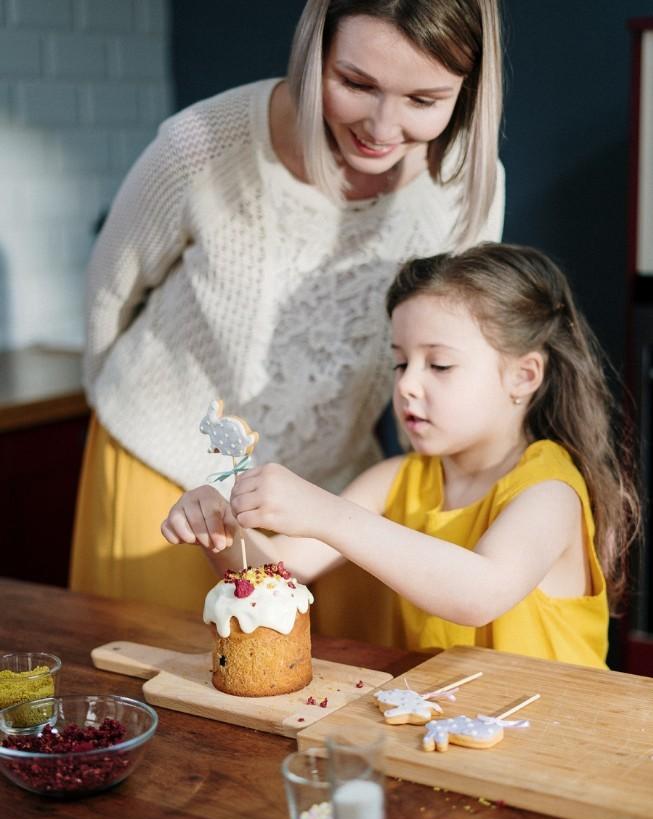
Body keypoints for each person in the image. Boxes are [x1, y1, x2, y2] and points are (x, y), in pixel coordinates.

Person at [70, 0, 505, 627]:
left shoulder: (469, 185)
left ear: (468, 91)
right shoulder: (202, 144)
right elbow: (109, 291)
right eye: (356, 84)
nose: (383, 127)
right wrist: (116, 408)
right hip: (163, 477)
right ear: (314, 52)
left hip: (333, 502)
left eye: (424, 101)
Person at [161, 243, 640, 669]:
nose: (407, 385)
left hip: (553, 743)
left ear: (523, 376)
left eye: (440, 364)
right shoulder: (396, 478)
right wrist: (222, 530)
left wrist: (324, 511)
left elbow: (478, 593)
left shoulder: (550, 492)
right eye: (400, 362)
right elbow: (281, 571)